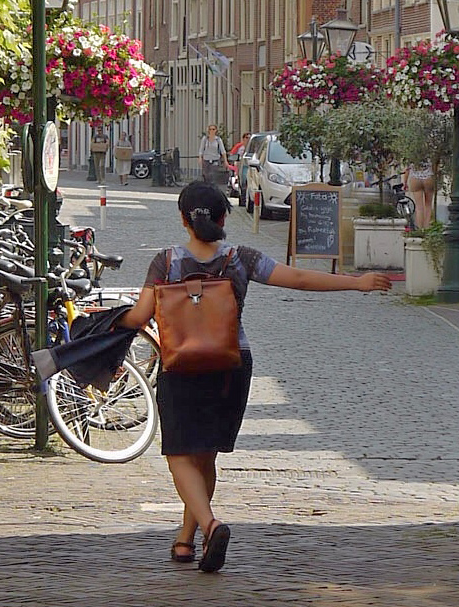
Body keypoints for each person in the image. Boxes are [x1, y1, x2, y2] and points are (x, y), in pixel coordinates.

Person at [120, 178, 391, 573]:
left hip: (181, 364)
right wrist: (357, 283)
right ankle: (185, 538)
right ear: (224, 217)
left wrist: (109, 320)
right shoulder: (240, 258)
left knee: (179, 451)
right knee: (206, 452)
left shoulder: (165, 262)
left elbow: (140, 317)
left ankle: (209, 525)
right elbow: (297, 279)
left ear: (183, 219)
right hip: (231, 363)